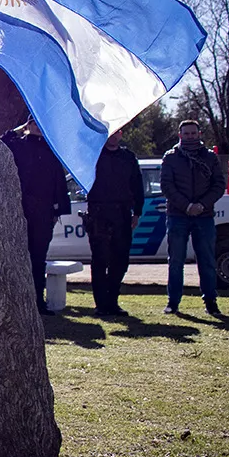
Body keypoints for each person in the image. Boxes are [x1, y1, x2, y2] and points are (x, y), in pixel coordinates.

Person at [3, 117, 70, 315]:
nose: (38, 128)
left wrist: (58, 210)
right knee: (18, 258)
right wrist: (17, 130)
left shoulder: (51, 149)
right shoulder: (18, 146)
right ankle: (17, 303)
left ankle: (37, 302)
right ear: (28, 126)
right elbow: (0, 142)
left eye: (41, 124)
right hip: (20, 211)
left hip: (43, 212)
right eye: (33, 124)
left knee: (38, 259)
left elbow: (59, 180)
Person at [160, 119, 226, 315]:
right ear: (180, 135)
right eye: (186, 133)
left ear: (199, 134)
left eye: (193, 133)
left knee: (207, 260)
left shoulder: (210, 158)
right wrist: (187, 206)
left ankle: (211, 302)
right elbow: (167, 186)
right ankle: (173, 302)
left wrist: (202, 205)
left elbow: (218, 185)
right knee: (176, 260)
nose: (190, 136)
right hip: (177, 215)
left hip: (204, 216)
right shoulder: (170, 157)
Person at [85, 128, 143, 316]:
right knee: (100, 260)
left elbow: (137, 185)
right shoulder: (92, 155)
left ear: (122, 134)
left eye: (117, 132)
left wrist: (138, 212)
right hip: (99, 212)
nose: (113, 136)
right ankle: (101, 304)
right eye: (110, 132)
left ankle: (113, 301)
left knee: (120, 260)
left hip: (122, 213)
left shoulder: (128, 158)